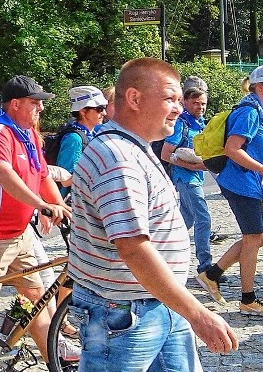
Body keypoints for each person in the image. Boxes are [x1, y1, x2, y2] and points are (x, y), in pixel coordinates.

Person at [68, 58, 238, 371]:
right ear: (134, 98)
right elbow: (133, 247)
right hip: (124, 313)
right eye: (169, 99)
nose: (177, 108)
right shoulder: (118, 158)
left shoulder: (134, 146)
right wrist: (199, 313)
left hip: (157, 303)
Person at [0, 75, 74, 369]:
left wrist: (61, 206)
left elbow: (42, 176)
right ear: (15, 104)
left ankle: (54, 364)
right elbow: (1, 172)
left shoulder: (30, 135)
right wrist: (40, 205)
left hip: (19, 234)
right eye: (35, 103)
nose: (41, 109)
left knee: (36, 302)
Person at [199, 65, 263, 314]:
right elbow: (232, 148)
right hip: (240, 183)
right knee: (253, 238)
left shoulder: (258, 108)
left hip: (248, 183)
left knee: (260, 236)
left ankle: (212, 274)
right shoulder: (249, 111)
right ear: (260, 86)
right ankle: (248, 299)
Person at [160, 85, 213, 277]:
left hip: (196, 176)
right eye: (196, 103)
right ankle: (205, 267)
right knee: (203, 218)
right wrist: (190, 165)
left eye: (203, 103)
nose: (200, 107)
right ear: (185, 103)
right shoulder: (181, 124)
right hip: (185, 178)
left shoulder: (200, 124)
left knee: (183, 221)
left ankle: (160, 255)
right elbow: (166, 154)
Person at [53, 86, 107, 197]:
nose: (104, 113)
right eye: (99, 109)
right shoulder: (74, 139)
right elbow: (64, 180)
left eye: (104, 108)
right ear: (83, 111)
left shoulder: (91, 134)